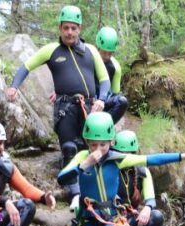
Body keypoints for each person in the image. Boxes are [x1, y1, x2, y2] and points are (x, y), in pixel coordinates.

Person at [6, 5, 110, 172]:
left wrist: (102, 99)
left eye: (73, 28)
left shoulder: (91, 50)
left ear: (79, 29)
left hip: (89, 108)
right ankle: (70, 185)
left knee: (92, 151)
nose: (69, 32)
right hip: (65, 108)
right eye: (66, 27)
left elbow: (104, 79)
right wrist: (14, 87)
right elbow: (26, 66)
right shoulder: (51, 50)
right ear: (60, 28)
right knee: (69, 149)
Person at [112, 130, 163, 226]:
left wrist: (147, 208)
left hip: (128, 223)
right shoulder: (109, 169)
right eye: (121, 153)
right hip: (109, 222)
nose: (126, 157)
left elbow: (151, 198)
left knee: (157, 216)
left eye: (130, 153)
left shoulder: (142, 171)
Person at [94, 26, 129, 125]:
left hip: (103, 101)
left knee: (122, 101)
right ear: (98, 47)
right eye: (104, 52)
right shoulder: (88, 58)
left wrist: (102, 100)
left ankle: (105, 127)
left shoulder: (115, 66)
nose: (106, 56)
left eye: (109, 53)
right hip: (87, 100)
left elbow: (115, 91)